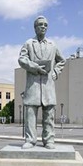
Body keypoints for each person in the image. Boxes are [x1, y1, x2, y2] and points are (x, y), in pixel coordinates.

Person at [18, 16, 66, 149]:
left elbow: (62, 60)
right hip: (33, 85)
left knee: (49, 115)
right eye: (40, 24)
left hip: (48, 85)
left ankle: (49, 140)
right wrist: (34, 67)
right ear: (35, 27)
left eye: (45, 25)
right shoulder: (28, 43)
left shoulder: (53, 45)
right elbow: (21, 59)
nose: (43, 27)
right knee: (30, 115)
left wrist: (55, 73)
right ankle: (30, 140)